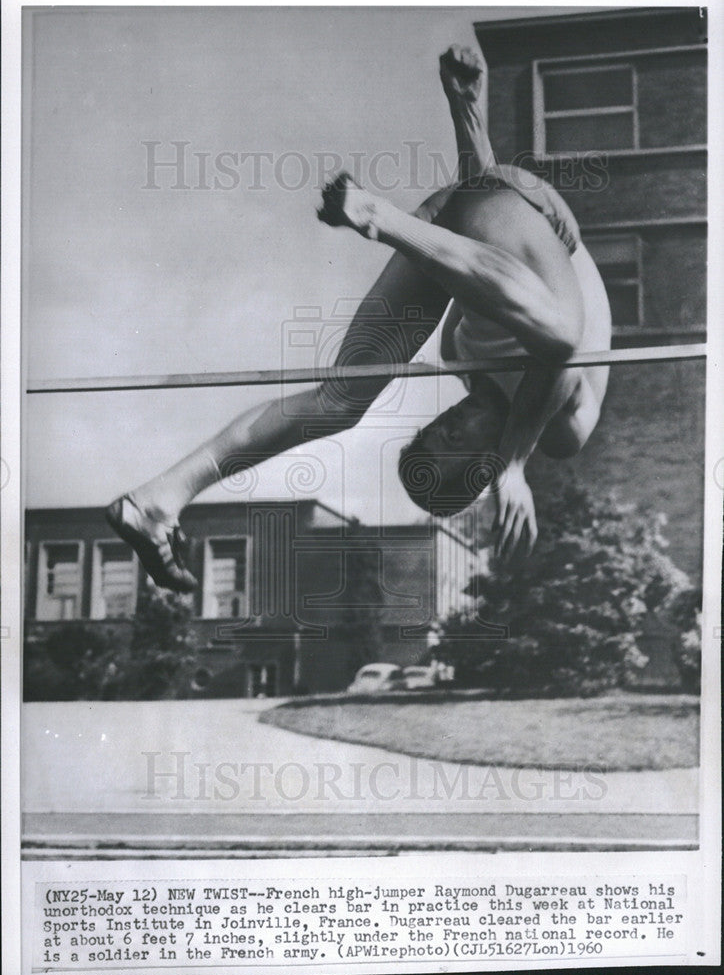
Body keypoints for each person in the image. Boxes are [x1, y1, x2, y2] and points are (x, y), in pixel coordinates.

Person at [107, 45, 611, 592]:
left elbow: (480, 230)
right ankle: (383, 219)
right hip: (537, 213)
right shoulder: (560, 436)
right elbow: (560, 357)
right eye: (452, 437)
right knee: (563, 336)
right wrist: (516, 463)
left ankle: (159, 499)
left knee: (340, 402)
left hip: (461, 216)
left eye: (437, 431)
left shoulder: (459, 355)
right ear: (484, 466)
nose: (450, 421)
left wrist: (466, 117)